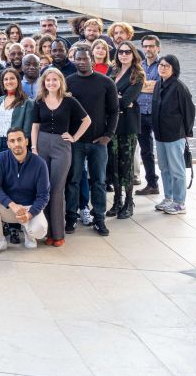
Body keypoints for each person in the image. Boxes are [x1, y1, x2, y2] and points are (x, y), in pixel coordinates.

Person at [30, 68, 90, 246]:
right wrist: (34, 147)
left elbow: (87, 120)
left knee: (56, 189)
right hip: (42, 145)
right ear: (44, 82)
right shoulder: (39, 101)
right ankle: (47, 233)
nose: (51, 83)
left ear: (60, 81)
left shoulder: (69, 101)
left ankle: (58, 234)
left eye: (54, 80)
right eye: (48, 80)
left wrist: (75, 137)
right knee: (44, 189)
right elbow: (35, 126)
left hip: (61, 147)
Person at [66, 47, 119, 236]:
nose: (81, 62)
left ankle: (99, 219)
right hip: (76, 142)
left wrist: (108, 135)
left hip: (98, 142)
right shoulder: (68, 82)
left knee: (99, 182)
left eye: (84, 59)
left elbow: (114, 111)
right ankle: (71, 218)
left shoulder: (106, 82)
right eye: (78, 59)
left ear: (92, 60)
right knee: (73, 180)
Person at [0, 128, 50, 254]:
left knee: (40, 230)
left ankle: (29, 233)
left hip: (29, 209)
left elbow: (44, 196)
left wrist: (29, 215)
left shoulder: (40, 163)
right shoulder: (1, 158)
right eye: (12, 141)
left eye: (19, 139)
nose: (16, 144)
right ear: (8, 144)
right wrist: (12, 205)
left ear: (26, 141)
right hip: (9, 208)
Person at [151, 55, 196, 216]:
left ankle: (179, 202)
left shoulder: (179, 87)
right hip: (160, 135)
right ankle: (168, 198)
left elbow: (189, 111)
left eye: (167, 66)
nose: (162, 68)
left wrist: (187, 132)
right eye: (161, 65)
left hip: (175, 135)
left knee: (177, 170)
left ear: (174, 69)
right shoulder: (158, 84)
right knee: (164, 168)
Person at [106, 41, 145, 219]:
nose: (123, 54)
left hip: (128, 125)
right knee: (113, 163)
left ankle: (129, 202)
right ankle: (117, 201)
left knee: (126, 165)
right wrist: (118, 99)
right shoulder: (112, 71)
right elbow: (108, 97)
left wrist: (118, 100)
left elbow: (126, 100)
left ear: (133, 54)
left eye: (127, 52)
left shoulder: (138, 75)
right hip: (112, 124)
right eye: (121, 52)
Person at [0, 69, 34, 159]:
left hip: (14, 143)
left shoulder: (27, 102)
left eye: (12, 78)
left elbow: (27, 129)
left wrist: (22, 145)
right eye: (6, 79)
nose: (9, 81)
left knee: (12, 167)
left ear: (18, 81)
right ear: (3, 83)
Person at [136, 35, 162, 196]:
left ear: (158, 48)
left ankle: (172, 189)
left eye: (151, 46)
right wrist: (147, 85)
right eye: (145, 46)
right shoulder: (139, 66)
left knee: (164, 150)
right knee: (146, 151)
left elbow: (160, 87)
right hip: (140, 113)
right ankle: (152, 184)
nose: (148, 49)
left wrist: (144, 86)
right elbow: (135, 85)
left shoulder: (163, 65)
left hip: (157, 113)